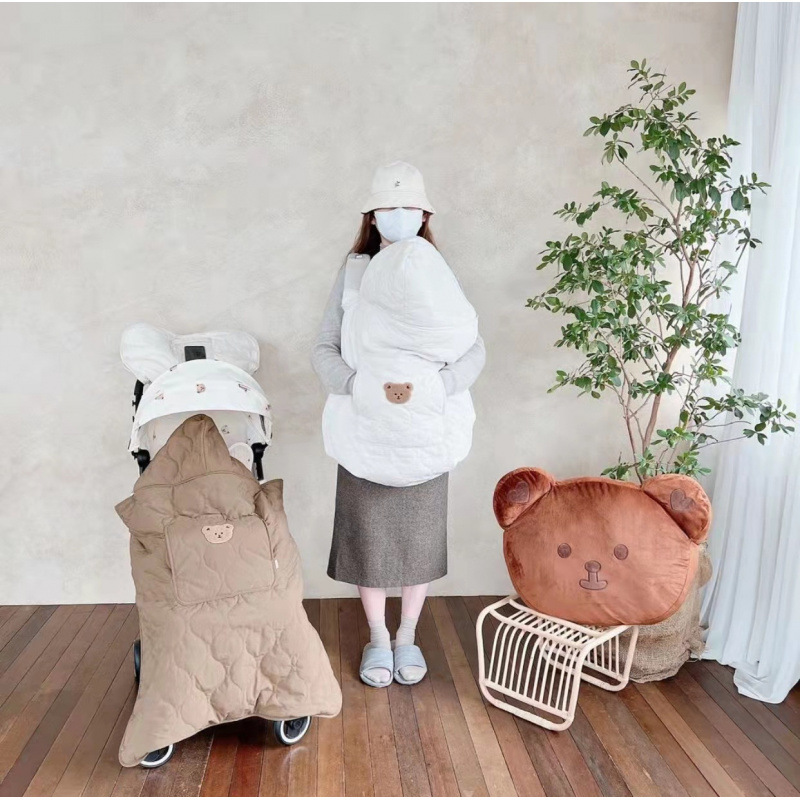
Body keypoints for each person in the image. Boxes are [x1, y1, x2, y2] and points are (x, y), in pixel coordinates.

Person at [311, 161, 485, 687]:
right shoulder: (355, 272)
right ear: (371, 214)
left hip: (424, 433)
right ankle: (377, 638)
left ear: (425, 214)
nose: (399, 214)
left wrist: (438, 388)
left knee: (418, 540)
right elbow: (324, 346)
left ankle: (407, 635)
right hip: (365, 431)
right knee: (368, 540)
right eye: (389, 206)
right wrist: (357, 387)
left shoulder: (436, 270)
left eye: (409, 206)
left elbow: (471, 346)